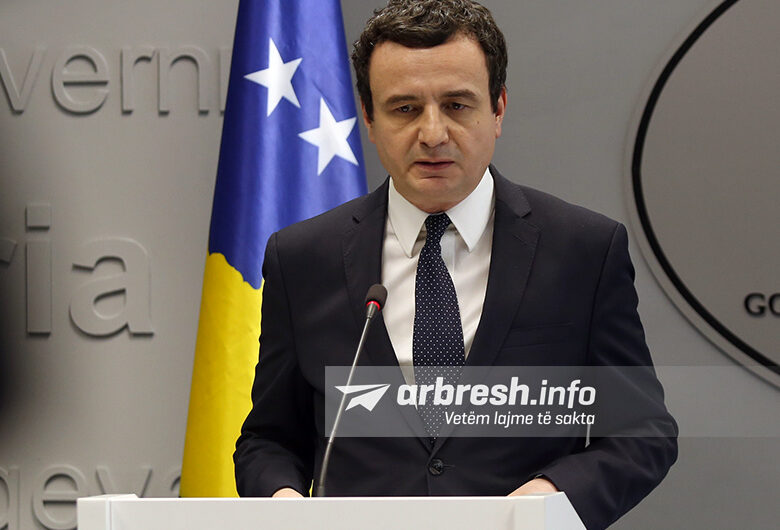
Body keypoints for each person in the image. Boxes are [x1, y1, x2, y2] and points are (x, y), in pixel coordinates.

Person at [234, 1, 677, 528]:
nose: (432, 133)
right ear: (369, 119)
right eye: (404, 109)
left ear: (498, 109)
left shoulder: (583, 250)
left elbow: (641, 431)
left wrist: (549, 499)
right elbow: (268, 439)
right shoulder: (303, 258)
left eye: (457, 105)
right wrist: (284, 503)